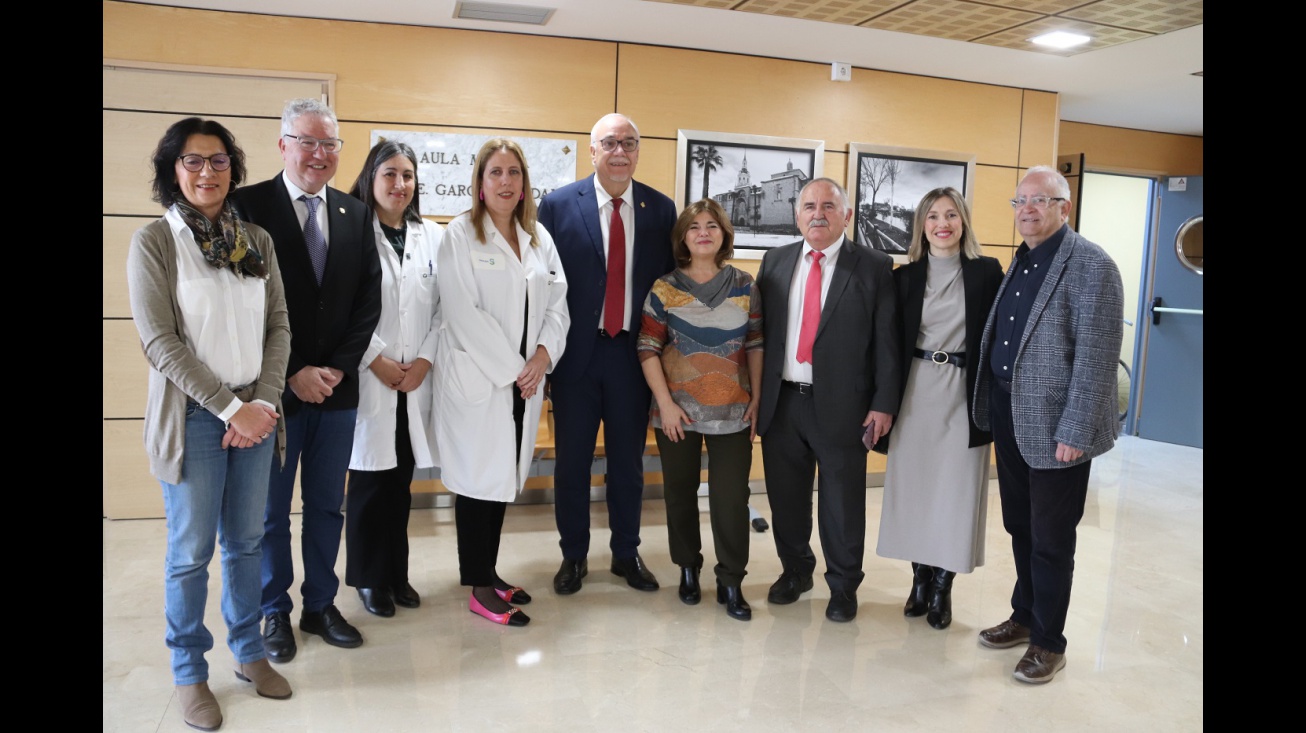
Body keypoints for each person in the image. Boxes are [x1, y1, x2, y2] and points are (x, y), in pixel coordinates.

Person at [128, 117, 294, 731]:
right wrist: (233, 409)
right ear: (173, 171)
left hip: (258, 413)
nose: (207, 172)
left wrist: (265, 404)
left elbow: (279, 326)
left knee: (247, 544)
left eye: (218, 161)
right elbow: (161, 343)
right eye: (193, 161)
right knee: (191, 553)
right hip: (197, 418)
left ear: (234, 168)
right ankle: (189, 672)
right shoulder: (155, 242)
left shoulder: (257, 240)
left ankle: (249, 654)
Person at [230, 98, 382, 662]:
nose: (319, 155)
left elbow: (369, 302)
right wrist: (290, 374)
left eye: (330, 145)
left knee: (325, 505)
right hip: (272, 392)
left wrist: (336, 368)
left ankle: (320, 604)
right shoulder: (248, 207)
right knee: (269, 510)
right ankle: (275, 611)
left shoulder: (355, 213)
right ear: (283, 144)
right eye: (308, 142)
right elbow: (244, 305)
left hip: (337, 391)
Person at [972, 165, 1124, 684]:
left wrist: (1076, 431)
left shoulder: (1092, 266)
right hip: (1011, 415)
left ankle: (1048, 642)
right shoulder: (1022, 261)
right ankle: (1023, 616)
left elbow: (1098, 357)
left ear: (1065, 206)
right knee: (1020, 526)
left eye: (1041, 199)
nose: (1028, 210)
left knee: (1051, 538)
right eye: (1020, 201)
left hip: (1058, 428)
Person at [537, 113, 677, 595]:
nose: (620, 152)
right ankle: (573, 555)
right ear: (592, 150)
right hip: (575, 356)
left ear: (639, 152)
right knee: (571, 463)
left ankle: (625, 552)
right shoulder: (556, 206)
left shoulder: (660, 209)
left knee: (628, 464)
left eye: (630, 143)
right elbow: (542, 287)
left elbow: (667, 289)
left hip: (632, 358)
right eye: (610, 143)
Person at [433, 138, 570, 627]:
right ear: (479, 181)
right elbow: (461, 313)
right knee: (477, 481)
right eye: (495, 172)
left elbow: (558, 302)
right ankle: (478, 587)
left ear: (525, 182)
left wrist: (542, 355)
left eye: (514, 172)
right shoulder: (459, 236)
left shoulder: (537, 238)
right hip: (483, 381)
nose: (506, 181)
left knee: (501, 477)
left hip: (522, 383)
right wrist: (518, 369)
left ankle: (489, 572)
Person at [755, 177, 900, 623]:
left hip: (844, 407)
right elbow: (760, 336)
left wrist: (883, 404)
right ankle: (795, 571)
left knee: (841, 502)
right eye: (809, 206)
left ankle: (843, 585)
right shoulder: (775, 261)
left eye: (829, 206)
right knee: (786, 498)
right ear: (797, 215)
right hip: (783, 404)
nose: (818, 213)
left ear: (847, 215)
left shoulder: (873, 266)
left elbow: (887, 343)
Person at [873, 187, 1004, 630]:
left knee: (955, 494)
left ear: (963, 222)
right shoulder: (903, 277)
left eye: (951, 215)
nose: (942, 223)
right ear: (921, 226)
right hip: (914, 394)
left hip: (963, 397)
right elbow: (887, 346)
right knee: (914, 491)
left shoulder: (987, 273)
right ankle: (919, 578)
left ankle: (943, 587)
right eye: (933, 216)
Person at [637, 198, 763, 621]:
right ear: (683, 237)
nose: (704, 232)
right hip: (678, 415)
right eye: (694, 227)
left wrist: (758, 398)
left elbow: (757, 345)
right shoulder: (664, 287)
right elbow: (647, 347)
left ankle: (731, 580)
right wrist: (666, 405)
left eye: (712, 225)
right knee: (679, 494)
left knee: (731, 498)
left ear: (725, 233)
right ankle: (687, 568)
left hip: (734, 412)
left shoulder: (746, 284)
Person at [343, 141, 443, 618]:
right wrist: (375, 359)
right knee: (368, 484)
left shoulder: (433, 237)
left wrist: (424, 360)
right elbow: (340, 309)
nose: (399, 184)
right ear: (370, 178)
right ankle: (368, 578)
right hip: (370, 378)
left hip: (414, 381)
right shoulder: (351, 232)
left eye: (407, 175)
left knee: (400, 483)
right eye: (389, 174)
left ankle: (396, 573)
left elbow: (446, 308)